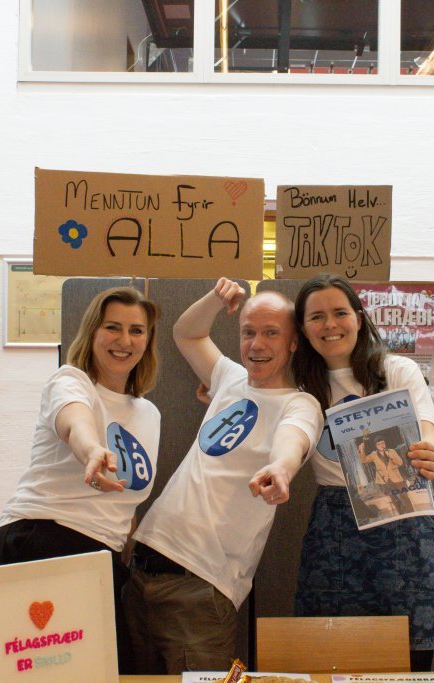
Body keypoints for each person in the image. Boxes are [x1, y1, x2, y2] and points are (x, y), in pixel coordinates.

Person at [124, 278, 322, 674]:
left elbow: (294, 438)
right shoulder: (230, 379)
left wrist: (281, 468)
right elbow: (187, 333)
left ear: (294, 342)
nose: (257, 344)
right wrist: (216, 299)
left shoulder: (299, 404)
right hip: (141, 569)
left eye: (271, 333)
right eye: (248, 332)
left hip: (201, 588)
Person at [0, 286, 160, 671]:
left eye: (136, 330)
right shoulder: (70, 381)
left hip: (101, 559)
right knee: (35, 675)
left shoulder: (149, 414)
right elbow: (75, 421)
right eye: (112, 327)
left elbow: (126, 503)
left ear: (148, 341)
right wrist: (91, 450)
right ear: (92, 332)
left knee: (109, 670)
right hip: (41, 540)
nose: (124, 340)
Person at [293, 273, 434, 670]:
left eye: (340, 313)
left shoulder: (396, 369)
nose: (330, 325)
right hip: (335, 525)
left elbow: (426, 426)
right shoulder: (298, 384)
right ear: (302, 328)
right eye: (316, 317)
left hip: (406, 515)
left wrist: (429, 451)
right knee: (333, 655)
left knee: (411, 658)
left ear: (358, 317)